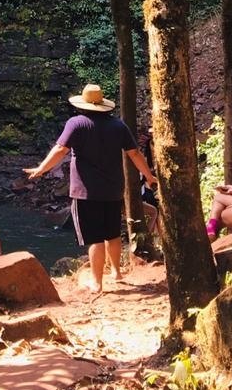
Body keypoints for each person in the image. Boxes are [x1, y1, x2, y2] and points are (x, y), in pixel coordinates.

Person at [24, 83, 157, 290]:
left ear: (82, 104)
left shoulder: (76, 123)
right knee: (112, 232)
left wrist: (41, 169)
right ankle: (116, 272)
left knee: (95, 238)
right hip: (113, 189)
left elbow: (60, 149)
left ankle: (97, 282)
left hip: (86, 192)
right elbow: (134, 153)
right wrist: (149, 176)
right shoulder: (118, 126)